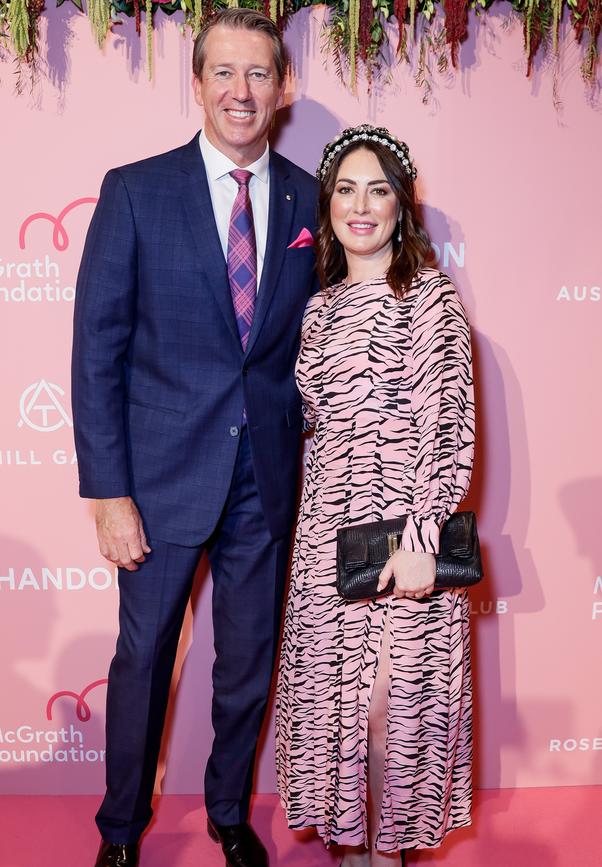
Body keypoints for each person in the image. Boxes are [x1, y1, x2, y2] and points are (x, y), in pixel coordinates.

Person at [71, 10, 318, 867]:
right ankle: (121, 831)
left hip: (269, 477)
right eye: (224, 73)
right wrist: (108, 494)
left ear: (282, 88)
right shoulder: (136, 190)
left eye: (258, 74)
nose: (241, 92)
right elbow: (96, 350)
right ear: (197, 82)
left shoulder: (311, 198)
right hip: (161, 478)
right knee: (143, 659)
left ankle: (226, 814)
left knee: (247, 661)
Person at [275, 125, 476, 867]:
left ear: (401, 205)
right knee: (336, 721)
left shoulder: (428, 298)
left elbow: (447, 425)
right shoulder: (319, 311)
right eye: (347, 190)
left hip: (402, 545)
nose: (361, 206)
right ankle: (353, 856)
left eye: (379, 189)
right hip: (327, 543)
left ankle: (384, 858)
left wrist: (423, 541)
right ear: (328, 204)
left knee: (393, 720)